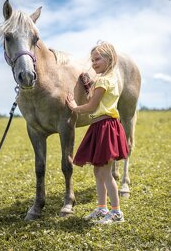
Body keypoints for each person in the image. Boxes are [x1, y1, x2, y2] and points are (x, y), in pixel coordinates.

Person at [66, 41, 129, 224]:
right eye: (92, 60)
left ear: (109, 58)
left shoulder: (102, 80)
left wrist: (74, 107)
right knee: (98, 170)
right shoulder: (111, 79)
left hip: (104, 127)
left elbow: (92, 106)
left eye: (97, 59)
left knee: (106, 173)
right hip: (102, 126)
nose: (93, 63)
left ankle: (116, 212)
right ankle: (102, 208)